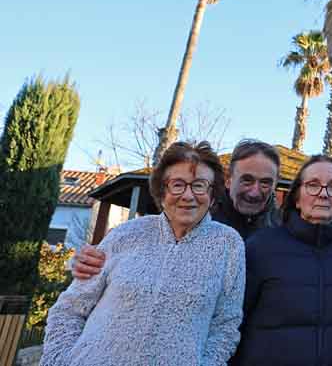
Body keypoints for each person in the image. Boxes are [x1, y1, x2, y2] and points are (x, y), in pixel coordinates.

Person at [41, 141, 245, 366]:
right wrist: (61, 360)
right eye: (177, 184)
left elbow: (226, 325)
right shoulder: (125, 234)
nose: (188, 195)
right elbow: (70, 309)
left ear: (212, 193)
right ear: (162, 190)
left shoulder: (228, 244)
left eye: (199, 185)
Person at [71, 139, 332, 278]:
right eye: (247, 180)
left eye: (266, 183)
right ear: (228, 179)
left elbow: (315, 245)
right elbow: (145, 244)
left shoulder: (283, 225)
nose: (256, 191)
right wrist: (92, 259)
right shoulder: (196, 212)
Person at [232, 154, 332, 365]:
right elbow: (233, 322)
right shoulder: (260, 248)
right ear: (297, 198)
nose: (323, 194)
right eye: (313, 185)